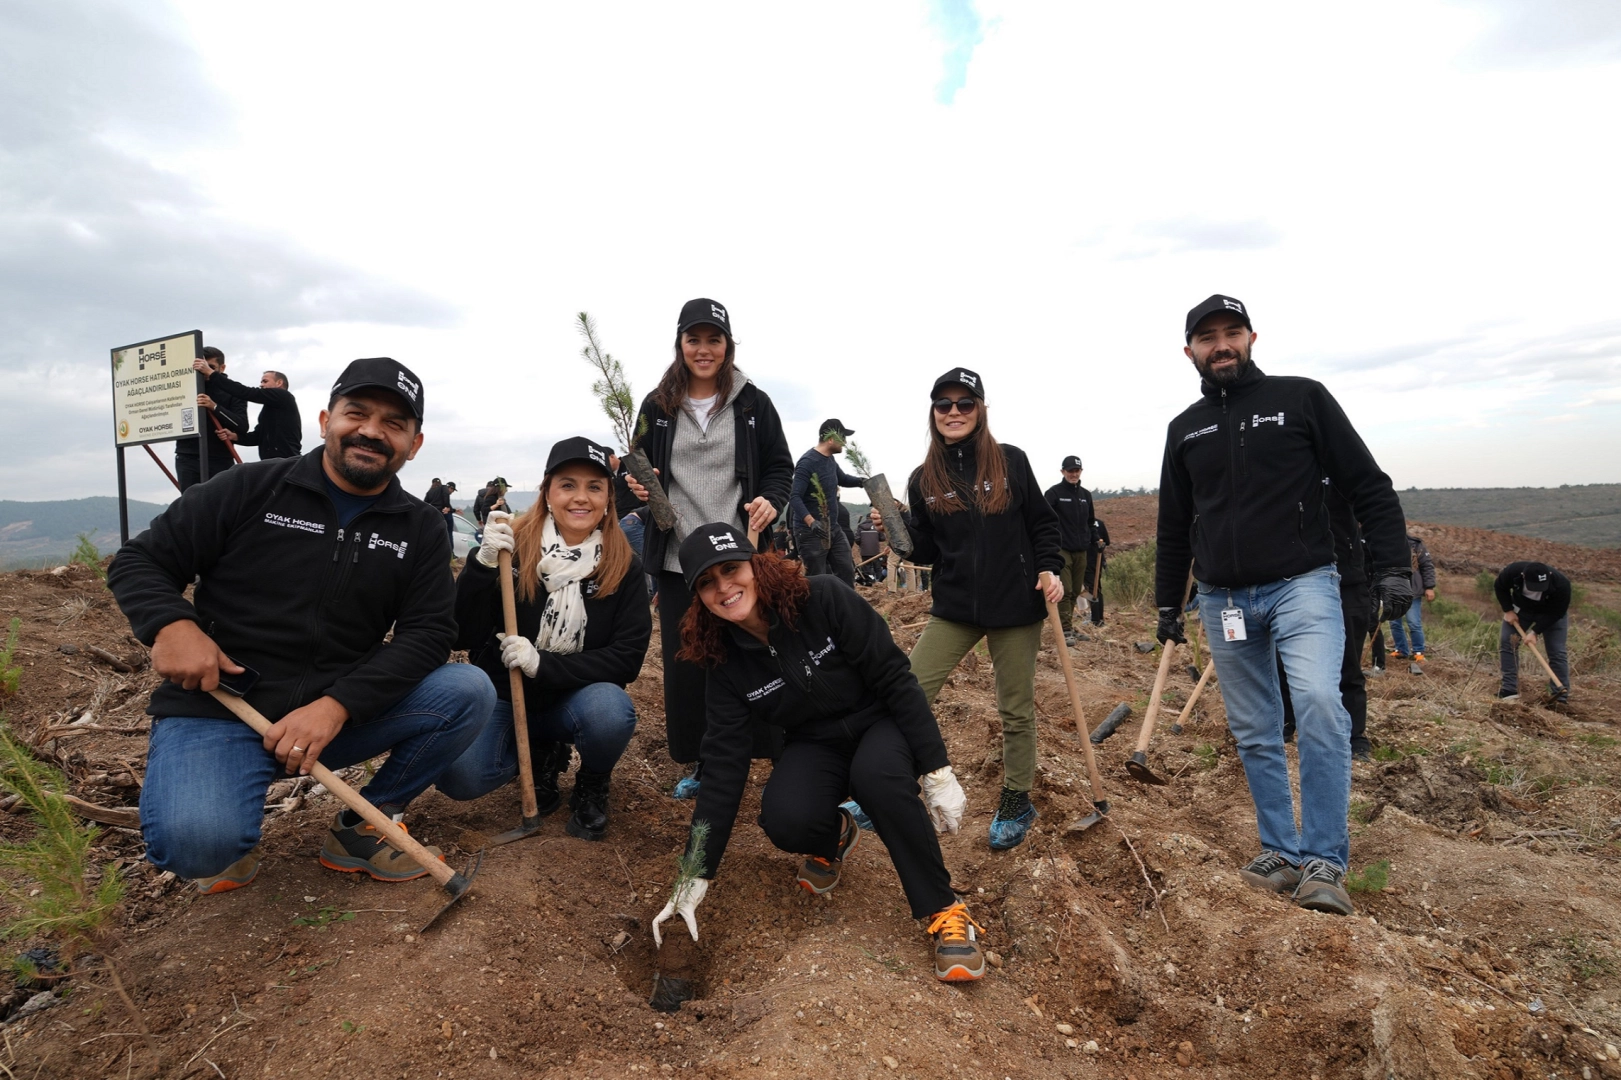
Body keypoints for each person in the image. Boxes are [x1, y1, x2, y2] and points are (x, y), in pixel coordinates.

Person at [107, 357, 493, 893]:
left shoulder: (421, 527)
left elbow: (429, 634)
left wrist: (336, 706)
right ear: (326, 420)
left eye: (394, 423)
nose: (371, 431)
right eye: (356, 413)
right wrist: (172, 625)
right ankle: (226, 810)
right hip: (224, 708)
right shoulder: (249, 487)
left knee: (467, 688)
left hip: (332, 717)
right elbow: (140, 560)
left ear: (414, 444)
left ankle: (362, 826)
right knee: (197, 845)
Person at [1155, 294, 1412, 917]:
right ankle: (1280, 851)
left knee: (1321, 702)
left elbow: (1368, 484)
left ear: (1252, 338)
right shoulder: (1185, 428)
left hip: (1304, 584)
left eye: (1232, 332)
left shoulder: (1301, 399)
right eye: (1207, 337)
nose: (1221, 345)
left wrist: (1393, 568)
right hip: (1222, 599)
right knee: (1253, 727)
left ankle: (1324, 860)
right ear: (1188, 351)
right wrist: (1168, 605)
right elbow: (1174, 526)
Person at [651, 526, 986, 982]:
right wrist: (695, 872)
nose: (724, 587)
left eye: (731, 569)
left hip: (879, 722)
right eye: (707, 582)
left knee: (878, 778)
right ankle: (834, 836)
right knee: (786, 818)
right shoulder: (724, 661)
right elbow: (725, 763)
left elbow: (895, 679)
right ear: (698, 598)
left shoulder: (823, 598)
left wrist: (936, 768)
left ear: (756, 565)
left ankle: (944, 908)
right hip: (813, 742)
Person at [873, 368, 1062, 851]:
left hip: (1016, 606)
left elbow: (1042, 523)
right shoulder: (924, 478)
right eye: (944, 404)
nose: (953, 412)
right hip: (955, 608)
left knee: (1015, 709)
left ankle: (1017, 799)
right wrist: (896, 527)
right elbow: (926, 549)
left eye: (965, 403)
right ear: (933, 412)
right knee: (910, 692)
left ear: (980, 409)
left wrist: (1049, 567)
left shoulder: (1011, 461)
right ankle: (886, 785)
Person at [621, 298, 793, 799]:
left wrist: (771, 499)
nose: (703, 349)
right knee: (694, 659)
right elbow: (636, 466)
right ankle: (707, 757)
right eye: (693, 339)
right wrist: (637, 484)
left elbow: (779, 467)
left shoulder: (753, 404)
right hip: (681, 557)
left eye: (713, 339)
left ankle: (779, 750)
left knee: (757, 648)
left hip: (742, 554)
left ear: (727, 345)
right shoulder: (657, 406)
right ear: (679, 344)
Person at [439, 437, 651, 839]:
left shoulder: (623, 565)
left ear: (608, 498)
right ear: (548, 492)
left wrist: (543, 663)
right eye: (568, 485)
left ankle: (592, 780)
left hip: (575, 699)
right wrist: (481, 567)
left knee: (610, 712)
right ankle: (537, 756)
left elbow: (627, 659)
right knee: (461, 776)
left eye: (594, 487)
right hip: (506, 697)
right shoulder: (513, 550)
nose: (581, 497)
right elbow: (461, 634)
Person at [1280, 484, 1376, 760]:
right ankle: (1286, 723)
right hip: (1292, 581)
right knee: (1283, 660)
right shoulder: (1286, 472)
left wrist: (1385, 575)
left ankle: (1354, 736)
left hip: (1348, 581)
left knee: (1349, 663)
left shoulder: (1342, 473)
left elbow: (1374, 509)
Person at [788, 420, 865, 585]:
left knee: (846, 570)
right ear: (830, 439)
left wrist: (861, 481)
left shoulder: (830, 460)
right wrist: (811, 522)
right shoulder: (807, 462)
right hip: (810, 532)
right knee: (817, 578)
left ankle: (846, 601)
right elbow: (794, 497)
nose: (844, 442)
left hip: (833, 528)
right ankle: (819, 602)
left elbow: (842, 478)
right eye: (842, 437)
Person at [1494, 561, 1571, 704]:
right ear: (1523, 576)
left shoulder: (1562, 584)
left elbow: (1557, 613)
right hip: (1521, 611)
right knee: (1508, 642)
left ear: (1549, 575)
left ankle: (1560, 697)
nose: (1537, 590)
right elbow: (1500, 586)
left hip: (1551, 615)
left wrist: (1535, 632)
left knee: (1557, 651)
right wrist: (1508, 610)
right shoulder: (1513, 571)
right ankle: (1509, 690)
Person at [1044, 455, 1098, 644]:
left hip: (1081, 549)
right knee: (1065, 589)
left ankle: (1068, 627)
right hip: (1061, 549)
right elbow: (1044, 520)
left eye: (1077, 470)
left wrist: (1096, 539)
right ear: (1063, 472)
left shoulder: (1085, 495)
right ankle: (1065, 630)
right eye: (1070, 471)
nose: (1073, 474)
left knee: (1076, 590)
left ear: (1081, 471)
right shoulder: (1054, 493)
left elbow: (1090, 522)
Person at [177, 347, 246, 490]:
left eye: (210, 367)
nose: (204, 371)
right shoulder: (185, 388)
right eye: (201, 366)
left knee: (221, 500)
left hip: (220, 457)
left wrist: (215, 407)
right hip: (188, 456)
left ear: (222, 367)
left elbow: (242, 425)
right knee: (190, 501)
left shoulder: (234, 390)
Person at [203, 367, 303, 460]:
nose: (261, 385)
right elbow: (258, 437)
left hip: (287, 461)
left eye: (265, 381)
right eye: (261, 382)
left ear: (279, 383)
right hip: (272, 462)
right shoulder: (270, 409)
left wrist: (211, 374)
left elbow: (247, 392)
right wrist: (235, 437)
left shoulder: (284, 396)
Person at [1388, 533, 1437, 666]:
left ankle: (1418, 652)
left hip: (1412, 590)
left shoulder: (1415, 545)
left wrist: (1429, 587)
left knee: (1414, 623)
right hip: (1393, 590)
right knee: (1394, 623)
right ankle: (1401, 650)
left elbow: (1427, 566)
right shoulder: (1385, 541)